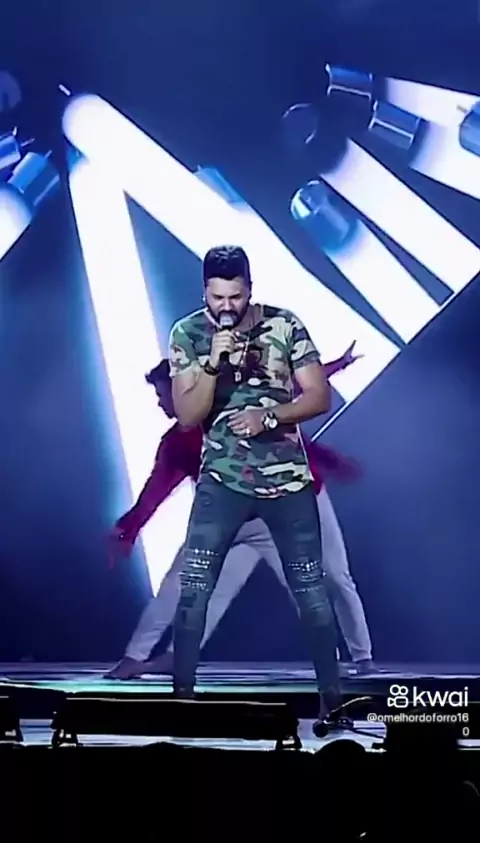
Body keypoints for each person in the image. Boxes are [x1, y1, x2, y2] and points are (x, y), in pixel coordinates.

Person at [106, 350, 374, 680]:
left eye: (163, 395)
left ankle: (356, 658)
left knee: (323, 581)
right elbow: (155, 491)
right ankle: (141, 657)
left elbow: (289, 391)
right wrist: (128, 529)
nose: (160, 403)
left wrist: (336, 370)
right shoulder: (176, 444)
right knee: (182, 584)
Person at [169, 243, 345, 719]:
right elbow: (187, 416)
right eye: (217, 298)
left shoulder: (284, 325)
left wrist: (268, 416)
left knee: (311, 591)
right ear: (205, 293)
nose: (227, 306)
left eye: (236, 296)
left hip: (287, 482)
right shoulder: (188, 333)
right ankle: (181, 701)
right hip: (222, 481)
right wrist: (212, 363)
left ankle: (333, 702)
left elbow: (319, 396)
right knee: (194, 588)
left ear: (250, 288)